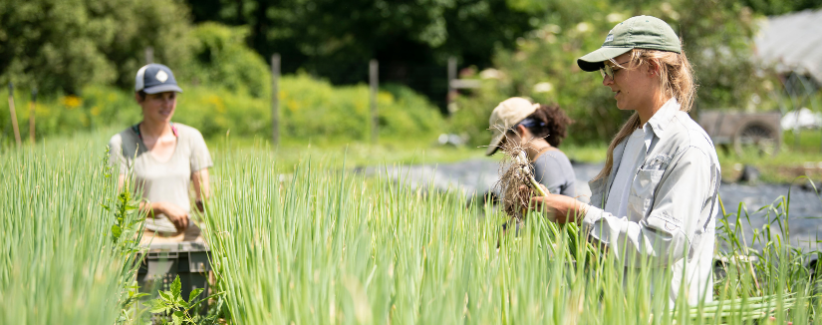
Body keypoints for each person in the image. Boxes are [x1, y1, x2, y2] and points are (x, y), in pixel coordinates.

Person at [527, 16, 721, 306]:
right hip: (623, 309)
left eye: (614, 69)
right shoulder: (628, 142)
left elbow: (665, 243)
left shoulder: (686, 145)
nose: (606, 80)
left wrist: (580, 215)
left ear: (652, 67)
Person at [109, 64, 213, 242]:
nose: (167, 104)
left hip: (185, 234)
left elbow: (203, 196)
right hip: (141, 237)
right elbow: (120, 205)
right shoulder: (121, 143)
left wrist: (204, 206)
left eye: (171, 97)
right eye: (158, 97)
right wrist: (160, 208)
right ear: (139, 98)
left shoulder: (191, 137)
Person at [487, 97, 576, 198]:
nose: (501, 148)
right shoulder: (540, 159)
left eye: (503, 141)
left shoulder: (546, 161)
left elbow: (546, 210)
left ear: (520, 131)